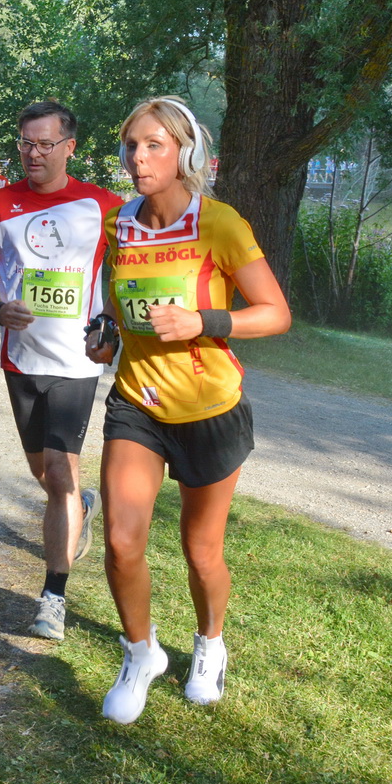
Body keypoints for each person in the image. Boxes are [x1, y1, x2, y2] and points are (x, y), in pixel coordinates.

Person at [88, 97, 290, 724]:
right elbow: (119, 310)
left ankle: (209, 645)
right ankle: (140, 653)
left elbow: (276, 313)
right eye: (130, 146)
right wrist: (108, 338)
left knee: (200, 550)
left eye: (154, 145)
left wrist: (202, 320)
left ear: (187, 154)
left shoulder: (220, 223)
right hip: (138, 404)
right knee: (121, 541)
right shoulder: (118, 227)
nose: (138, 158)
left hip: (210, 408)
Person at [0, 101, 124, 639]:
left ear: (69, 147)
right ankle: (80, 505)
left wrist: (112, 327)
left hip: (77, 362)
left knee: (60, 472)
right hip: (20, 359)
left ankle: (53, 595)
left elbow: (127, 278)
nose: (33, 152)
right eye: (26, 142)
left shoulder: (106, 207)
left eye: (45, 143)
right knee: (45, 476)